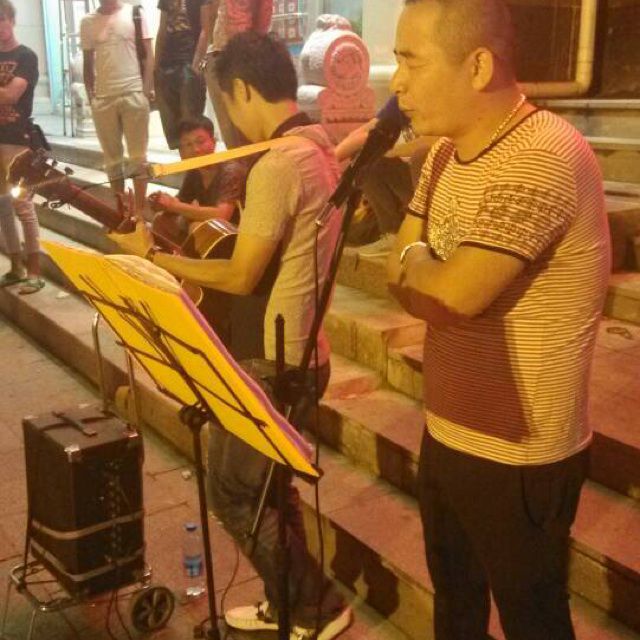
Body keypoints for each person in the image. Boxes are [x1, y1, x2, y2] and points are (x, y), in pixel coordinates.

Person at [111, 32, 352, 640]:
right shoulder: (317, 147)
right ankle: (290, 601)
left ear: (241, 90)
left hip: (275, 359)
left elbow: (242, 274)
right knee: (269, 489)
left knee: (234, 494)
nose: (225, 116)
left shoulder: (279, 163)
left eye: (223, 101)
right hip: (301, 349)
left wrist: (152, 258)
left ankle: (315, 606)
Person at [386, 1, 611, 639]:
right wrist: (422, 269)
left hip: (520, 453)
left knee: (533, 620)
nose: (396, 83)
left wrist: (420, 265)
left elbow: (452, 295)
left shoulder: (542, 153)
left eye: (411, 62)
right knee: (455, 607)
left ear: (478, 66)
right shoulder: (442, 156)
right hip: (446, 427)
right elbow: (400, 278)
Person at [81, 0, 155, 212]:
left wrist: (145, 91)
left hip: (133, 92)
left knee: (138, 157)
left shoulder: (135, 12)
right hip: (104, 98)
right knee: (112, 160)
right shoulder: (88, 21)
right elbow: (88, 62)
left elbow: (149, 54)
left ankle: (139, 211)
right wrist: (92, 97)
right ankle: (121, 210)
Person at [335, 96, 430, 257]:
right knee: (366, 157)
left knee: (420, 157)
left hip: (443, 184)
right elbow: (368, 131)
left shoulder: (444, 96)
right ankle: (392, 233)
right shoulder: (403, 98)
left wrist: (390, 153)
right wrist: (328, 161)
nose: (397, 85)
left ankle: (425, 233)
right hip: (409, 187)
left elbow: (437, 141)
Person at [0, 0, 44, 295]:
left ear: (12, 20)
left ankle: (35, 271)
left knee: (23, 205)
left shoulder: (26, 56)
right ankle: (15, 266)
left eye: (2, 18)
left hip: (17, 139)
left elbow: (11, 96)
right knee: (2, 206)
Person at [204, 0, 273, 148]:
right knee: (228, 126)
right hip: (218, 52)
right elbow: (212, 14)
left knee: (247, 126)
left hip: (243, 53)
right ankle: (239, 159)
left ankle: (251, 161)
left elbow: (263, 18)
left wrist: (251, 49)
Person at [154, 0, 212, 149]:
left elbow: (206, 29)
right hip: (167, 65)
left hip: (189, 61)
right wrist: (156, 67)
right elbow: (162, 30)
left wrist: (196, 64)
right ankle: (185, 161)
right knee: (174, 128)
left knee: (191, 122)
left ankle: (196, 161)